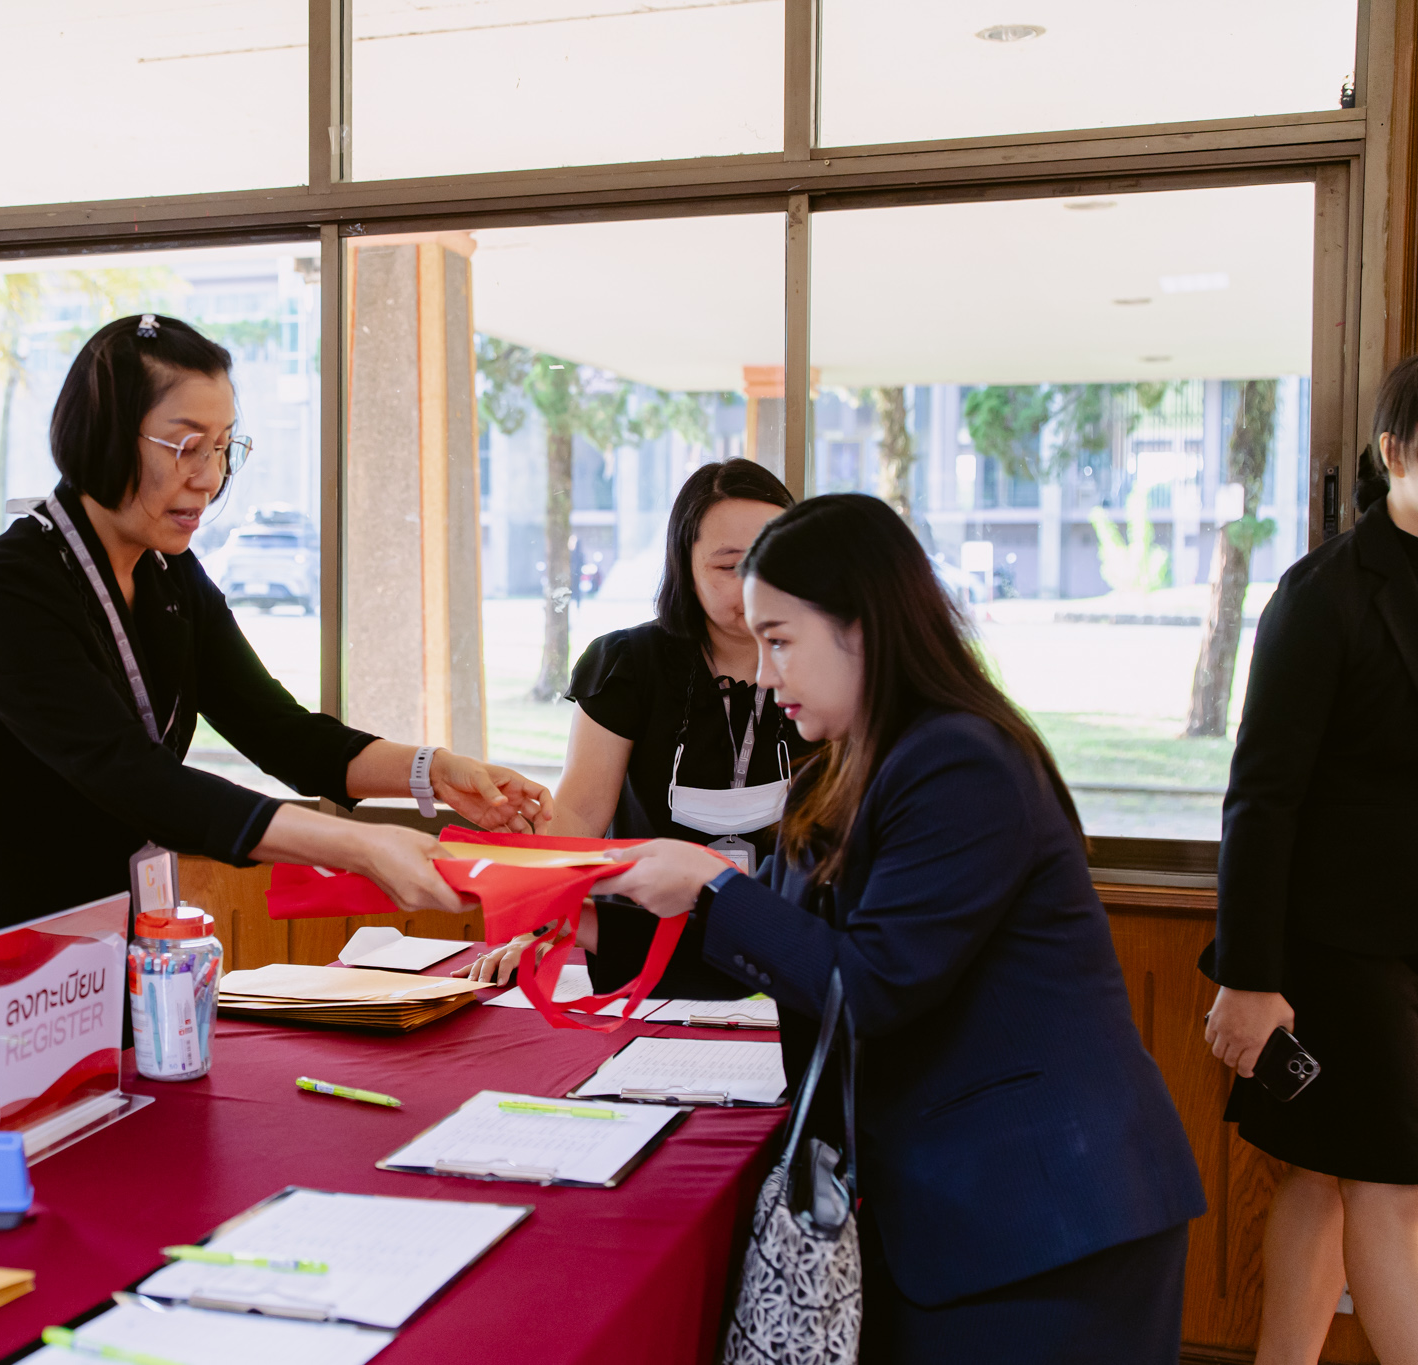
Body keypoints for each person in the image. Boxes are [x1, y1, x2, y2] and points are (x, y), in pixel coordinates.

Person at [0, 313, 552, 1138]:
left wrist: (433, 771)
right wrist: (360, 848)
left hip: (86, 947)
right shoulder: (8, 592)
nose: (209, 476)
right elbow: (137, 779)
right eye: (186, 445)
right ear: (103, 436)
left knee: (100, 1174)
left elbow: (282, 731)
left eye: (225, 447)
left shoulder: (169, 577)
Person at [593, 493, 1204, 1364]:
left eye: (779, 640)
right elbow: (791, 949)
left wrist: (709, 885)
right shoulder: (848, 763)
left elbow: (872, 983)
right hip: (963, 1204)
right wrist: (597, 926)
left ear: (862, 627)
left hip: (1045, 1213)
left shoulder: (960, 760)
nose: (762, 675)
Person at [1203, 357, 1418, 1365]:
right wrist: (1248, 978)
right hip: (1339, 950)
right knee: (1391, 1185)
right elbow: (1260, 798)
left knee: (1320, 1176)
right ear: (1393, 452)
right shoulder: (1321, 594)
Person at [460, 458, 817, 995]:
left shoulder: (825, 669)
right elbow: (580, 815)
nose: (754, 586)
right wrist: (539, 924)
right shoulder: (629, 662)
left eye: (772, 561)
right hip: (642, 948)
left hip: (789, 950)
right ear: (684, 564)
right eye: (729, 567)